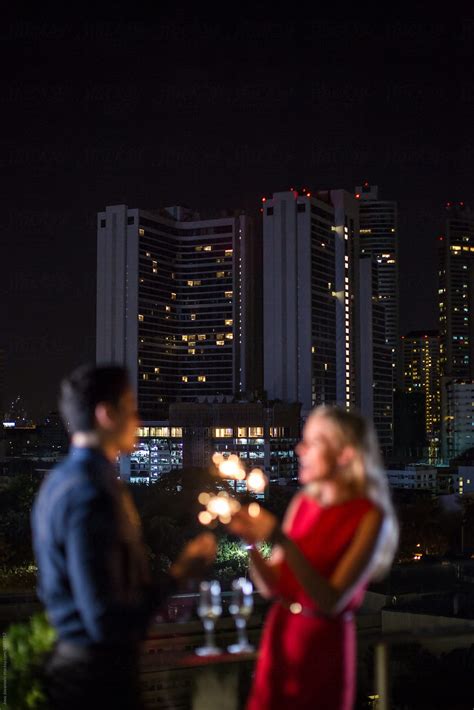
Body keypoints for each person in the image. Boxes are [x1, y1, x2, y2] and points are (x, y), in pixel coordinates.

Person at [31, 363, 216, 709]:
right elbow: (106, 618)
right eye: (131, 408)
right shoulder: (92, 492)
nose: (139, 420)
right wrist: (181, 573)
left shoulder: (58, 481)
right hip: (96, 682)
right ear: (106, 414)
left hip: (74, 671)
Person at [228, 404, 399, 710]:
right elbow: (273, 587)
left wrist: (281, 540)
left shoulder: (369, 517)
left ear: (344, 455)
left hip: (322, 648)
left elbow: (330, 600)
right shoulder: (304, 502)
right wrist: (251, 542)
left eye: (312, 442)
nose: (299, 449)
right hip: (280, 639)